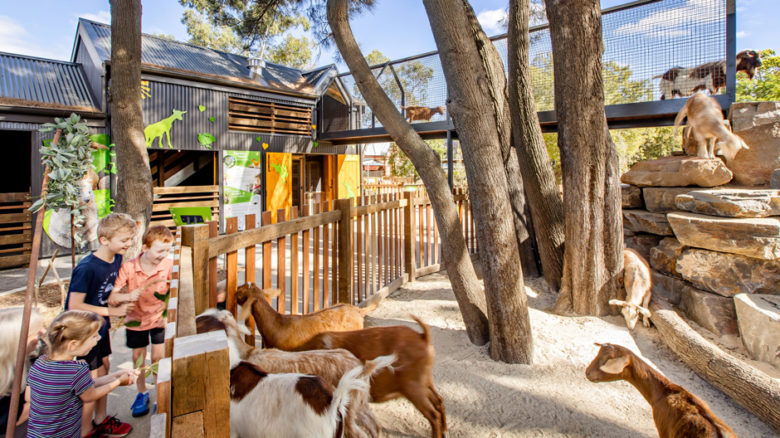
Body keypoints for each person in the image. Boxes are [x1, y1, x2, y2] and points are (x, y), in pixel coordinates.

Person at [65, 212, 136, 437]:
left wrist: (122, 298)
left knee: (105, 368)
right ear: (104, 240)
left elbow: (105, 293)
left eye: (130, 238)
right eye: (124, 240)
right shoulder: (87, 268)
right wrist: (111, 311)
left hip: (101, 329)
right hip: (85, 332)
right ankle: (86, 431)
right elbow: (74, 305)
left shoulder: (116, 258)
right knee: (91, 382)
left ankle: (100, 419)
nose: (129, 243)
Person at [26, 310, 138, 438]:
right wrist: (118, 382)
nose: (99, 338)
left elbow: (28, 397)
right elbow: (89, 395)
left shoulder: (39, 363)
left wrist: (115, 375)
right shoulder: (77, 369)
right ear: (74, 344)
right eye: (94, 336)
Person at [110, 225, 173, 417]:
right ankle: (142, 392)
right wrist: (127, 297)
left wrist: (166, 315)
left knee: (158, 358)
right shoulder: (129, 267)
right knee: (138, 358)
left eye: (167, 250)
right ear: (145, 248)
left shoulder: (168, 265)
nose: (163, 255)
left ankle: (159, 393)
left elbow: (174, 291)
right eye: (160, 250)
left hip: (158, 320)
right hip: (136, 320)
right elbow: (113, 297)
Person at [0, 307, 45, 433]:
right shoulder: (5, 374)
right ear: (14, 341)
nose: (43, 332)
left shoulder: (34, 355)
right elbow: (7, 421)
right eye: (36, 332)